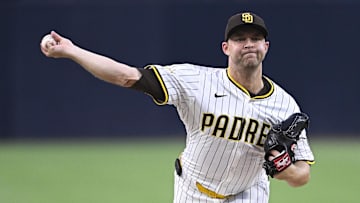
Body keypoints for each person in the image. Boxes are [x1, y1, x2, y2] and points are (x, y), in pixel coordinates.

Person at [40, 11, 315, 203]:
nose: (248, 44)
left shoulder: (284, 104)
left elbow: (302, 175)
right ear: (225, 48)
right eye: (240, 39)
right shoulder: (195, 80)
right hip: (193, 190)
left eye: (255, 38)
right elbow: (127, 76)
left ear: (266, 46)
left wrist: (284, 169)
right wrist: (72, 51)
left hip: (248, 191)